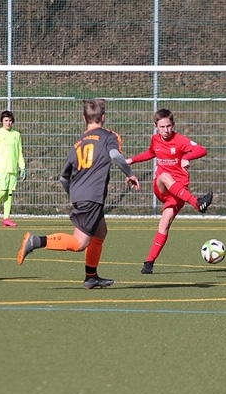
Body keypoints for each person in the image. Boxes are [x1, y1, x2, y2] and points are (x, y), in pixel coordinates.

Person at [17, 99, 140, 289]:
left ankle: (91, 276)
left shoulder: (78, 144)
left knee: (100, 231)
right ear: (103, 118)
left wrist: (75, 194)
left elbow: (63, 178)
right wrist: (130, 174)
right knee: (79, 243)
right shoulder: (108, 136)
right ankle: (36, 241)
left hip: (81, 194)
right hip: (92, 196)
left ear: (84, 118)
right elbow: (115, 155)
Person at [126, 109, 213, 275]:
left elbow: (202, 150)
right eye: (162, 127)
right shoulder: (155, 140)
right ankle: (196, 204)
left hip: (179, 191)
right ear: (156, 127)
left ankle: (149, 262)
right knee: (164, 176)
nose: (166, 130)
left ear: (173, 124)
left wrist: (186, 157)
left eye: (168, 126)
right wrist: (131, 160)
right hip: (162, 187)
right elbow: (150, 153)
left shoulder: (180, 140)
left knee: (164, 224)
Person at [0, 110, 26, 227]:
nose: (8, 123)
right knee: (2, 191)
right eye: (6, 120)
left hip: (12, 169)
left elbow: (19, 152)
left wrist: (22, 167)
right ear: (2, 121)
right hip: (1, 169)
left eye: (10, 120)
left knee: (9, 193)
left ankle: (6, 218)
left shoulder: (16, 135)